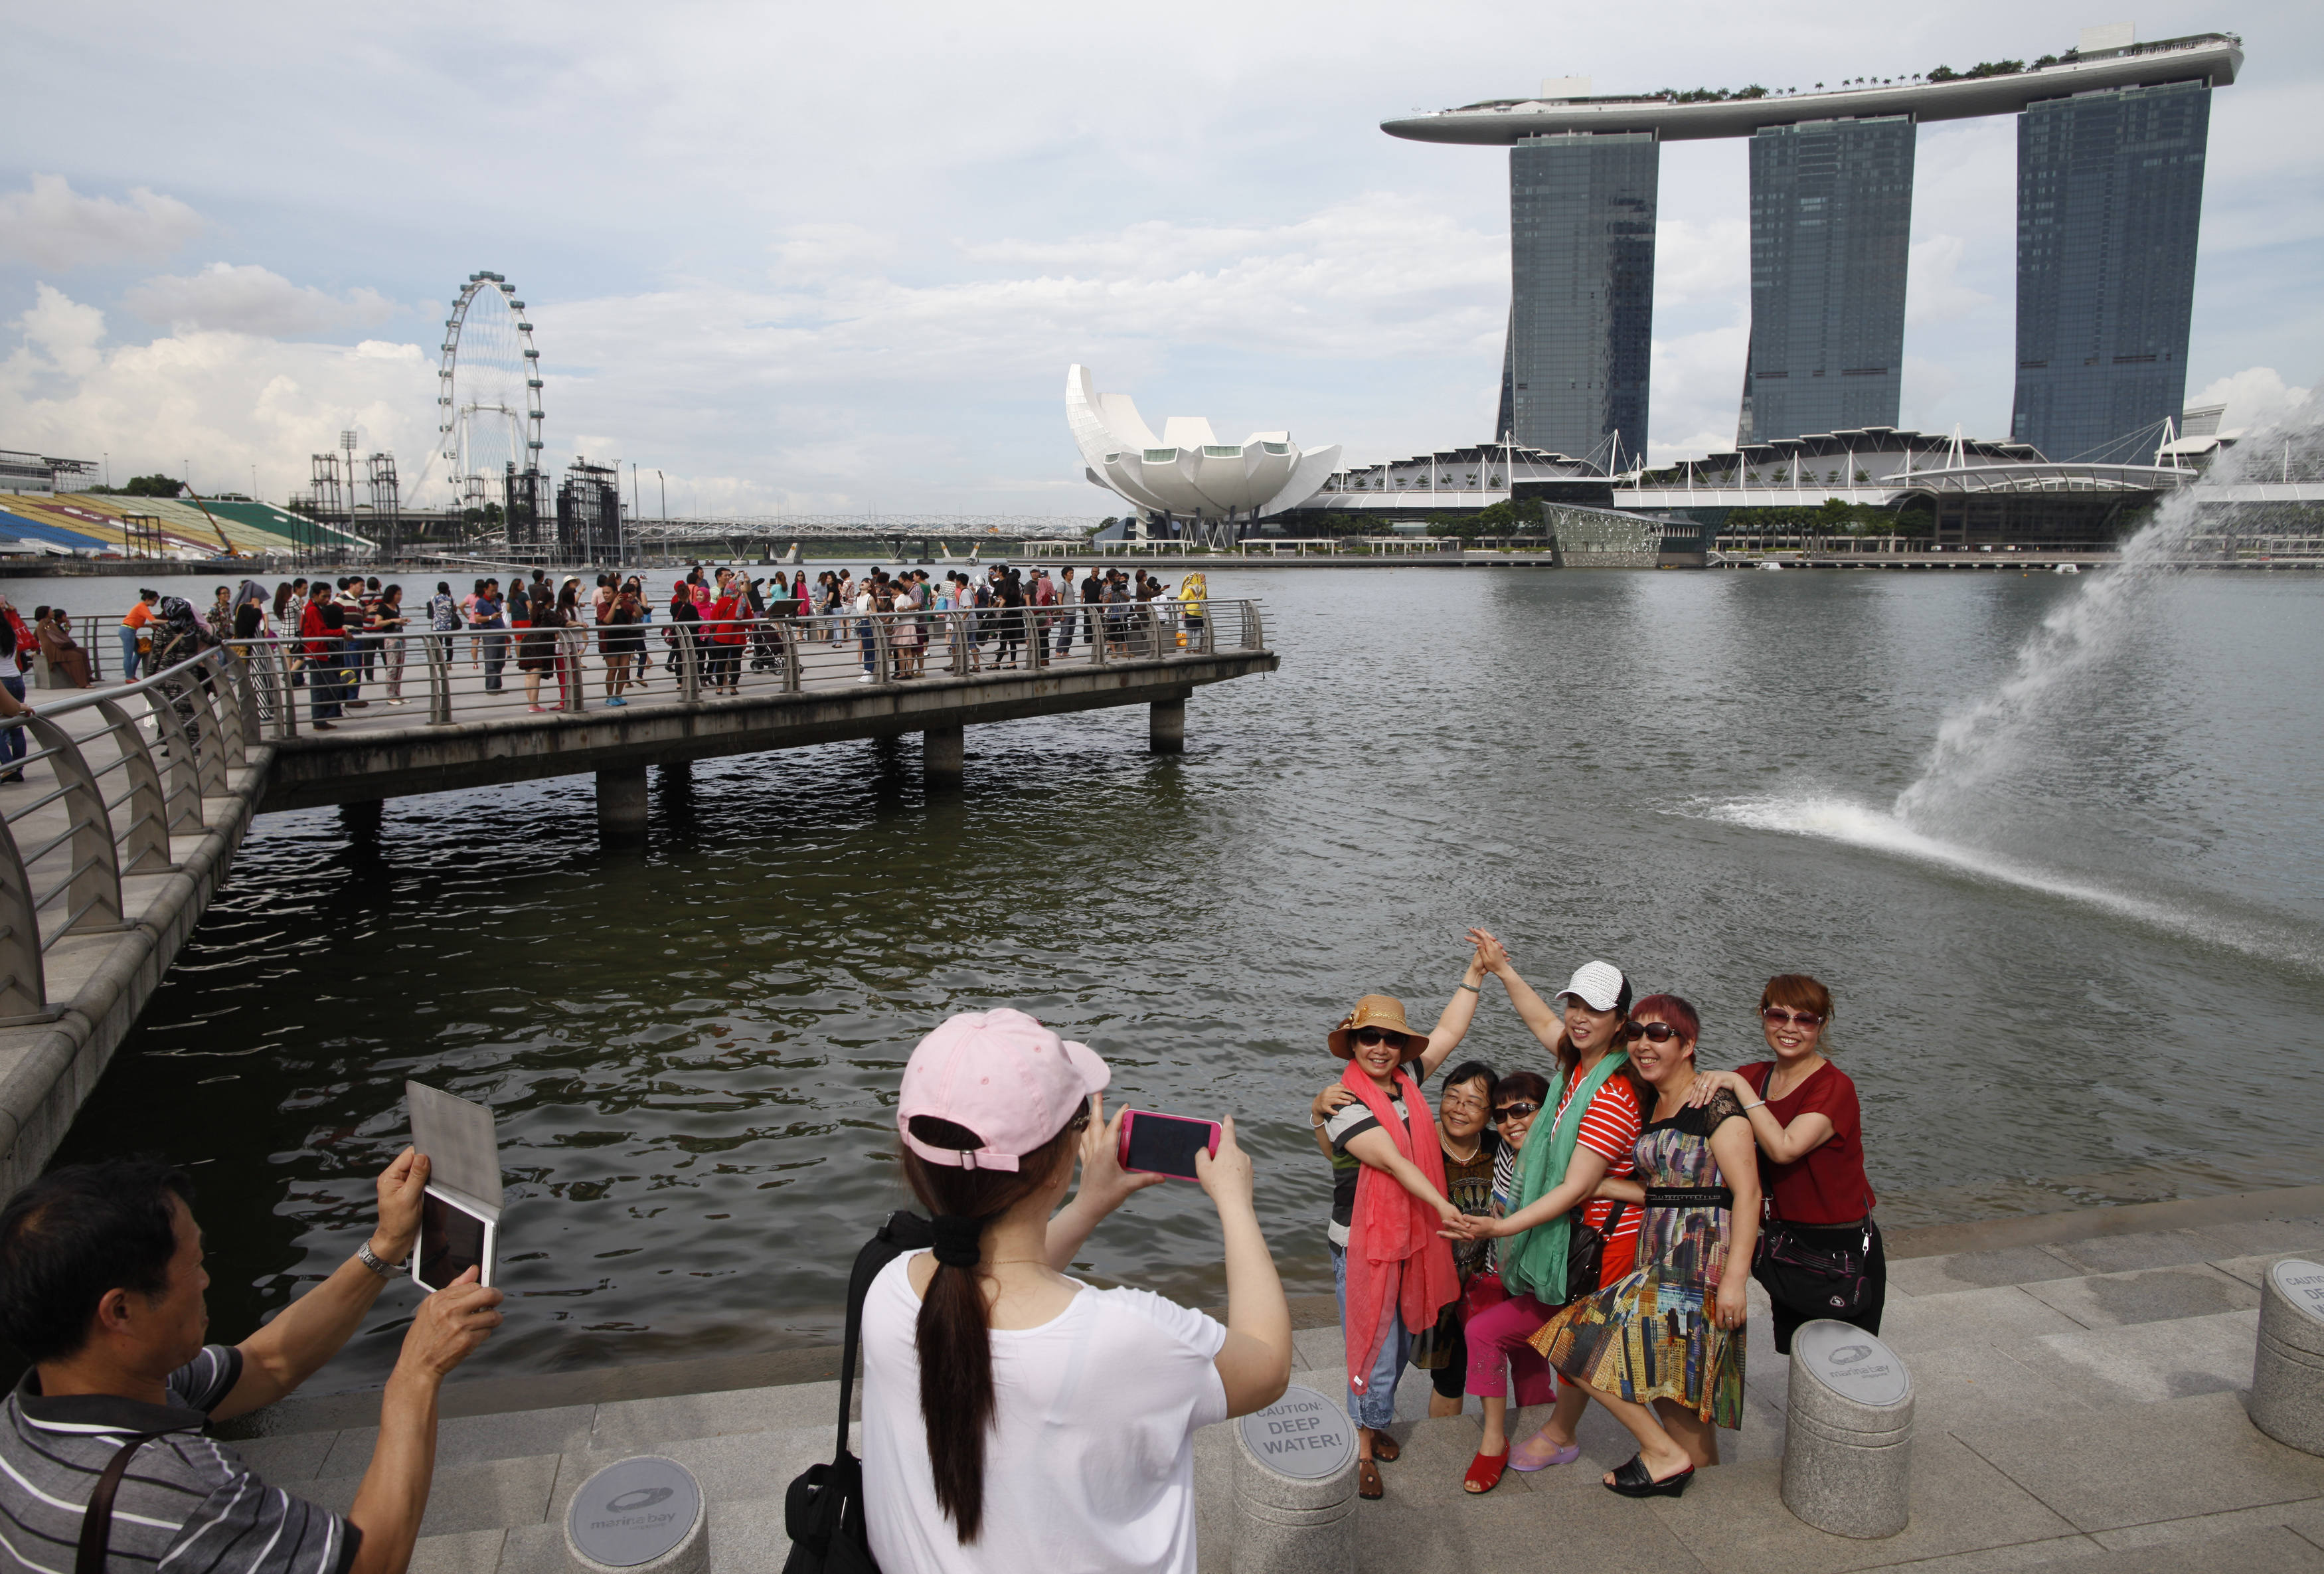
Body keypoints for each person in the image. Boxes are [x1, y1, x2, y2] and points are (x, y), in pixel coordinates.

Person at [862, 1009, 1290, 1574]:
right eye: (1078, 1123)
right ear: (1055, 1166)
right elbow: (1267, 1365)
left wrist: (1089, 1205)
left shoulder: (885, 1287)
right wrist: (1235, 1201)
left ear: (916, 1160)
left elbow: (986, 1272)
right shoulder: (1127, 1338)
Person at [0, 1152, 502, 1574]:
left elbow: (268, 1363)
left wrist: (387, 1246)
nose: (206, 1281)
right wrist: (416, 1375)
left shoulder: (26, 1416)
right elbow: (369, 1565)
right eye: (194, 1265)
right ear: (120, 1312)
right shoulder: (176, 1490)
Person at [1532, 994, 1759, 1496]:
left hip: (1697, 1262)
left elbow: (1748, 1193)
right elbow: (1666, 1186)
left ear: (1688, 1045)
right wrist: (1603, 1185)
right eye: (1635, 1033)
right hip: (1658, 1253)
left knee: (1571, 1340)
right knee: (1676, 1394)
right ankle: (1691, 1478)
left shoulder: (1715, 1102)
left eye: (1659, 1034)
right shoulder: (1655, 1102)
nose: (1643, 1044)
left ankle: (1668, 1459)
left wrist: (1736, 1280)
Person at [1444, 944, 1649, 1484]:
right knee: (1574, 1348)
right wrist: (1502, 969)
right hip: (1574, 1239)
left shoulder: (1612, 1093)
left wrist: (1500, 1227)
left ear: (1620, 1021)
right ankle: (1558, 1433)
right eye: (1574, 1004)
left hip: (1598, 1246)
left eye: (1595, 1009)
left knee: (1574, 1349)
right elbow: (1541, 1020)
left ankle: (1644, 1447)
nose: (1579, 1017)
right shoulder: (1577, 1070)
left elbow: (1576, 1188)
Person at [1307, 958, 1487, 1500]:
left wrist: (1476, 975)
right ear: (1353, 1043)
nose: (1381, 1048)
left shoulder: (1407, 1084)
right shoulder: (1344, 1104)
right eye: (1370, 1038)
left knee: (1405, 1336)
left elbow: (1450, 1031)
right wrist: (1444, 1207)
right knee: (1374, 1346)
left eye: (1391, 1039)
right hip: (1363, 1244)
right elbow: (1391, 1161)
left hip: (1410, 1237)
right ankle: (1362, 1447)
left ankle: (1375, 1419)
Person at [1689, 973, 1882, 1352]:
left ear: (1821, 1026)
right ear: (1763, 1016)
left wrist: (1738, 1087)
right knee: (1797, 1353)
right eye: (1779, 1015)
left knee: (1842, 1362)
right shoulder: (1754, 1076)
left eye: (1804, 1019)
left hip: (1838, 1248)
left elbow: (1784, 1147)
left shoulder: (1834, 1086)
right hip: (1784, 1241)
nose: (1790, 1028)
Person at [1410, 1061, 1500, 1424]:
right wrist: (1319, 1114)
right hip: (1422, 1278)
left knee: (1452, 1375)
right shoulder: (1418, 1141)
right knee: (1389, 1363)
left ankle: (1443, 1443)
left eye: (1474, 1102)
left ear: (1491, 1113)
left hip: (1475, 1283)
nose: (1459, 1108)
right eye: (1452, 1096)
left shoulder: (1499, 1148)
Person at [0, 594, 34, 782]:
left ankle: (8, 766)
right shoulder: (10, 633)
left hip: (2, 683)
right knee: (16, 727)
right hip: (16, 679)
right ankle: (18, 769)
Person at [474, 579, 507, 693]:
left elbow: (500, 617)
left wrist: (506, 632)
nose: (494, 593)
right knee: (491, 661)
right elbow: (477, 618)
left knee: (500, 662)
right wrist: (490, 618)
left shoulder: (497, 600)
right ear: (485, 589)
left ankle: (498, 686)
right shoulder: (480, 603)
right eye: (492, 590)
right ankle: (491, 688)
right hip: (490, 635)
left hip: (500, 633)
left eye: (496, 590)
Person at [118, 590, 159, 681]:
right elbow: (154, 620)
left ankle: (132, 675)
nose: (155, 603)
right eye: (155, 601)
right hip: (127, 630)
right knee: (128, 655)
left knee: (139, 653)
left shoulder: (142, 606)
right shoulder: (142, 607)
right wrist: (169, 622)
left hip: (129, 630)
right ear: (148, 599)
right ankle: (129, 677)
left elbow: (136, 621)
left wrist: (149, 626)